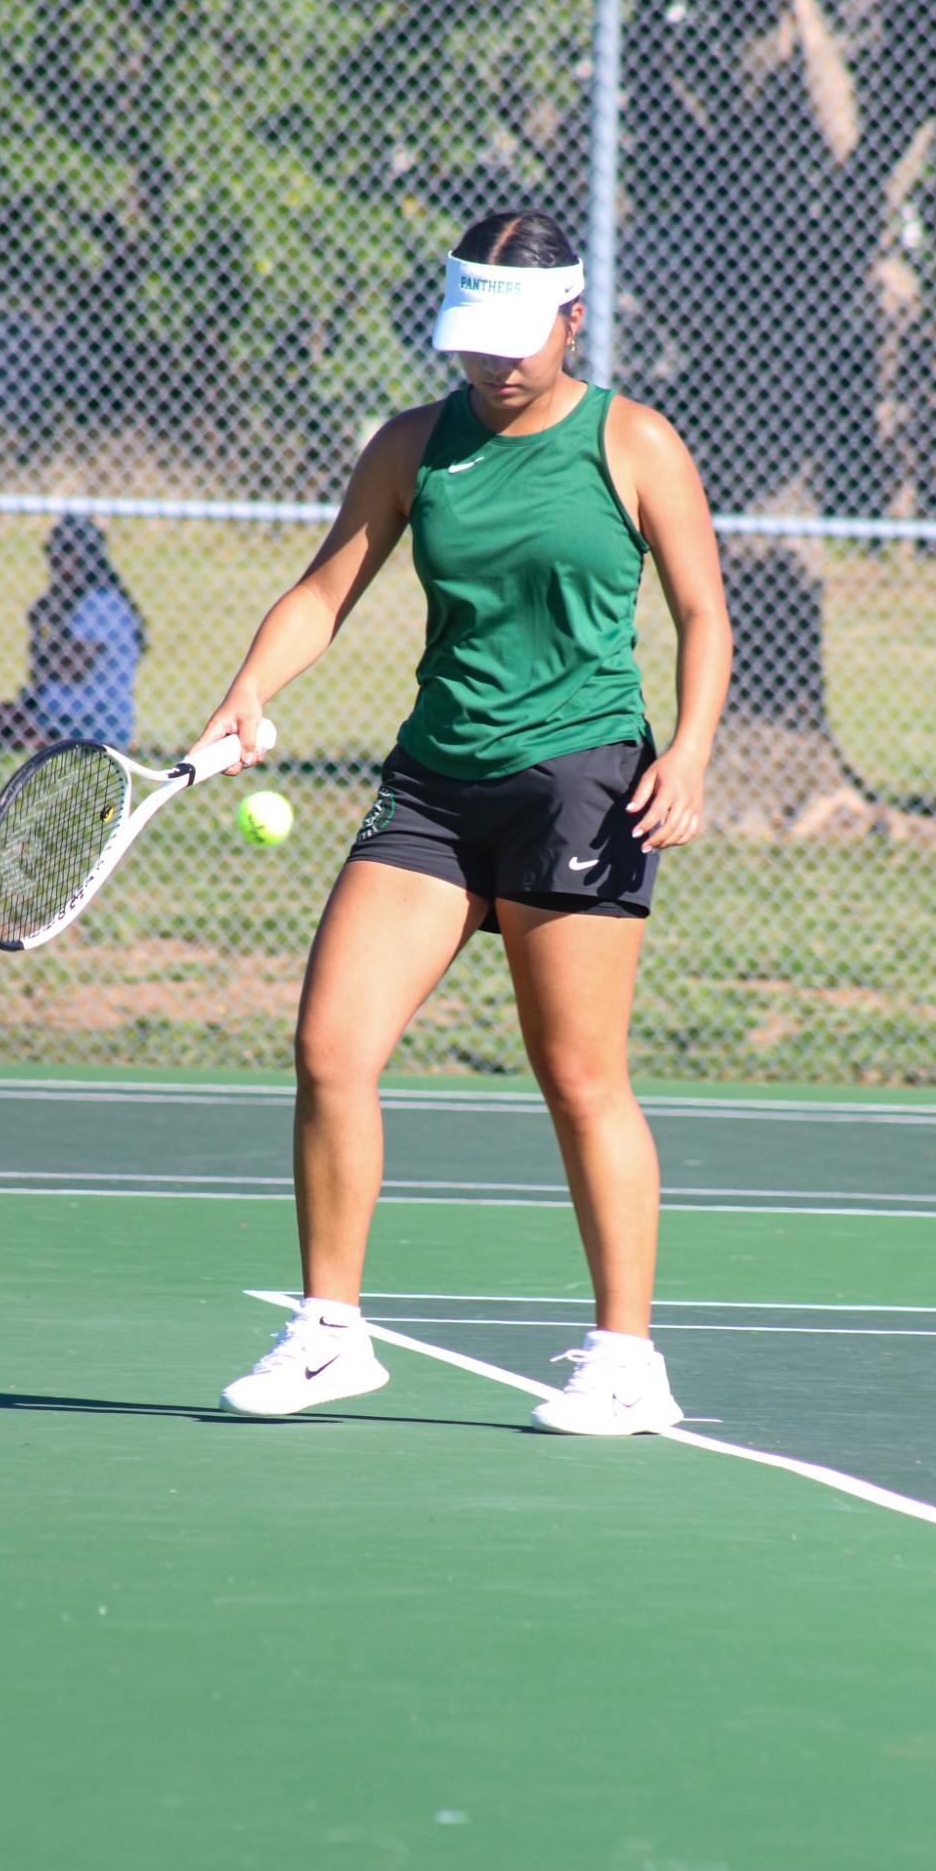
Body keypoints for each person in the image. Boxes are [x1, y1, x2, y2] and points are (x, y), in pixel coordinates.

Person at [195, 209, 733, 1435]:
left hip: (579, 781)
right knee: (330, 1046)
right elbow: (327, 585)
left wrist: (692, 750)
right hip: (433, 785)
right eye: (471, 342)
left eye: (515, 340)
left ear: (571, 318)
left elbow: (703, 612)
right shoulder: (410, 446)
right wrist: (248, 689)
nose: (492, 366)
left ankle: (625, 1358)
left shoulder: (633, 442)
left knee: (578, 1075)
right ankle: (330, 1333)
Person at [0, 515, 145, 752]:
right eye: (53, 552)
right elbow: (40, 676)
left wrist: (46, 628)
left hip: (87, 723)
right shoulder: (73, 602)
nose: (56, 561)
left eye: (66, 552)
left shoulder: (101, 603)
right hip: (53, 715)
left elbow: (71, 669)